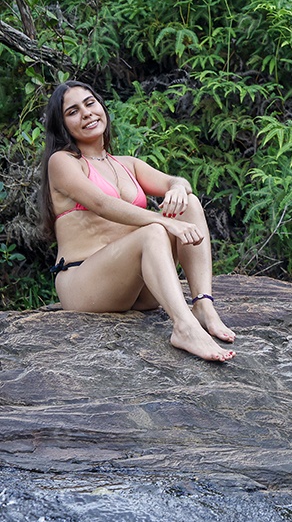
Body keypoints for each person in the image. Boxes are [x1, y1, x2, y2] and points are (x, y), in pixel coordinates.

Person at [37, 80, 236, 362]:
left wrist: (178, 188)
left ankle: (203, 305)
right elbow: (102, 204)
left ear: (102, 107)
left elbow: (175, 181)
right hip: (85, 284)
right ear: (63, 125)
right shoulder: (63, 161)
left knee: (189, 203)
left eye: (90, 103)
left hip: (136, 289)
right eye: (73, 111)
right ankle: (184, 327)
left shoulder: (127, 164)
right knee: (153, 231)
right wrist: (165, 222)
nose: (86, 113)